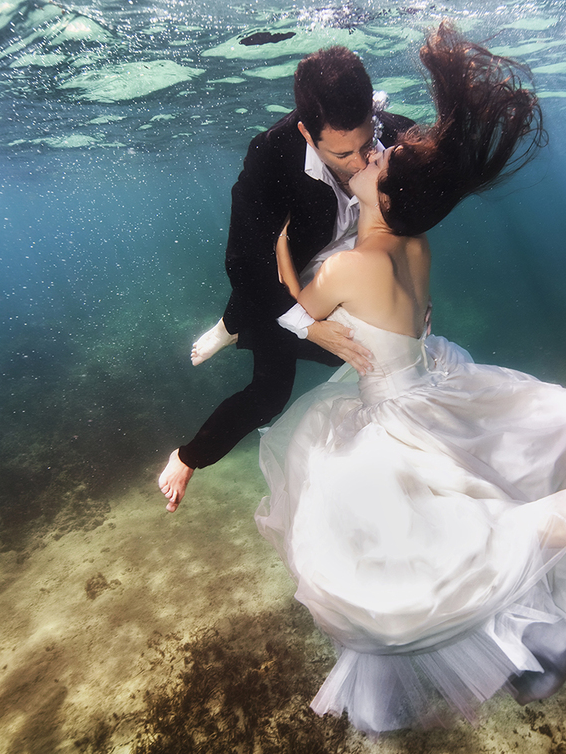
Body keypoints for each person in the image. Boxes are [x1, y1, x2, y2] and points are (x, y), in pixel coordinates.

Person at [255, 22, 566, 735]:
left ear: (387, 194)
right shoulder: (417, 243)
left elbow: (297, 310)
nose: (372, 153)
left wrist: (282, 250)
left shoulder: (346, 269)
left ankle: (554, 517)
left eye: (378, 158)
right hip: (432, 383)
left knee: (381, 573)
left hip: (391, 409)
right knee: (484, 479)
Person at [158, 47, 415, 511]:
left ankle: (232, 326)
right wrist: (309, 326)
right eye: (342, 153)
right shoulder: (271, 155)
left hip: (341, 276)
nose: (361, 162)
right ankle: (189, 452)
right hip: (286, 275)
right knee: (270, 394)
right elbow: (244, 262)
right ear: (305, 133)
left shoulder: (393, 137)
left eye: (366, 146)